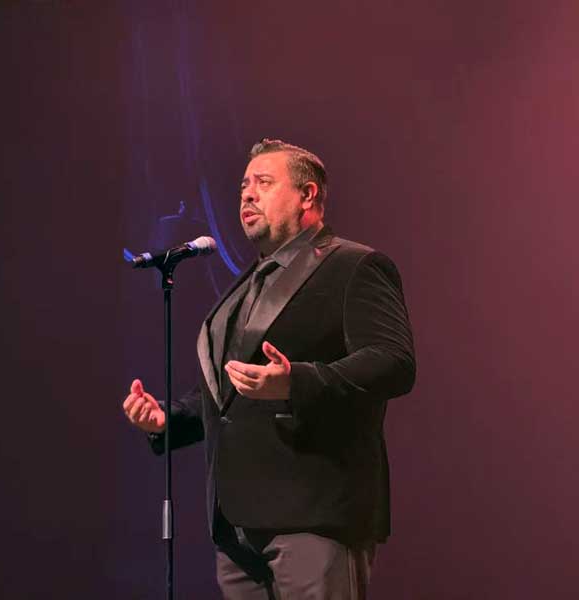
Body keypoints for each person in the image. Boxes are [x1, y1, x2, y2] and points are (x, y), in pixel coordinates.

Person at [123, 139, 415, 599]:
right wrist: (168, 419)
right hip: (238, 529)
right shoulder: (247, 283)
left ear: (307, 195)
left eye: (263, 182)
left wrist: (295, 380)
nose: (247, 194)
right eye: (243, 185)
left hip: (315, 517)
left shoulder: (354, 265)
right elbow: (231, 391)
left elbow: (393, 361)